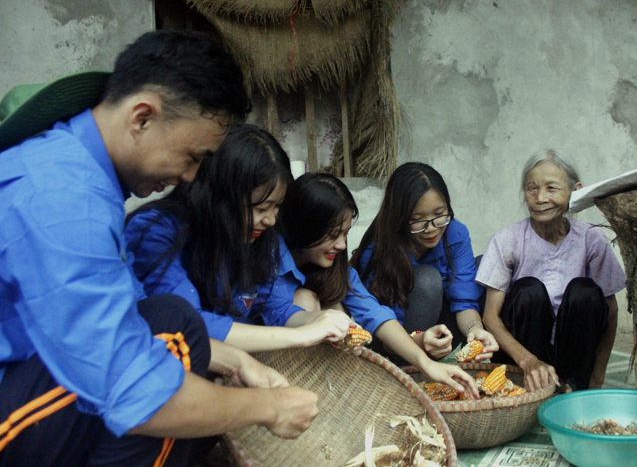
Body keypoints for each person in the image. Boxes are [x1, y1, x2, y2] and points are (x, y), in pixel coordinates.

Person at [0, 30, 318, 467]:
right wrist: (271, 407)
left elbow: (128, 316)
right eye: (193, 157)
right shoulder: (63, 199)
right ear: (142, 118)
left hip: (35, 391)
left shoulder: (81, 177)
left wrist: (236, 362)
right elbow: (137, 391)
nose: (190, 177)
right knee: (175, 333)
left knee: (182, 334)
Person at [125, 125, 354, 353]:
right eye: (261, 208)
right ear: (220, 197)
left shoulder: (255, 241)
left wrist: (320, 320)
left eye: (276, 207)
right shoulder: (157, 233)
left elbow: (275, 308)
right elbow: (187, 325)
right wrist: (299, 335)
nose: (270, 220)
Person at [278, 173, 479, 397]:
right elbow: (275, 312)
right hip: (274, 352)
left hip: (406, 338)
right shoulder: (270, 262)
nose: (342, 245)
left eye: (345, 234)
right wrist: (318, 319)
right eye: (334, 235)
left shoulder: (339, 271)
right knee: (315, 303)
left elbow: (376, 314)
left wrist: (426, 363)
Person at [477, 149, 627, 392]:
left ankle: (574, 386)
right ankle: (529, 384)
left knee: (585, 292)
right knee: (528, 290)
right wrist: (528, 361)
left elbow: (610, 311)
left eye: (551, 188)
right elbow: (490, 318)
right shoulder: (507, 239)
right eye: (532, 188)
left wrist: (598, 374)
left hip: (573, 355)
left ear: (575, 191)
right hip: (521, 357)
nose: (540, 198)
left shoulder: (591, 238)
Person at [351, 162, 498, 363]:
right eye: (418, 219)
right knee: (428, 279)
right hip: (395, 343)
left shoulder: (455, 233)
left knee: (485, 266)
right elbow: (382, 326)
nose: (431, 228)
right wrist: (419, 341)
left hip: (440, 334)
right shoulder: (379, 250)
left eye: (439, 214)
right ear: (398, 218)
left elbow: (464, 301)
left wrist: (476, 329)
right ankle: (412, 366)